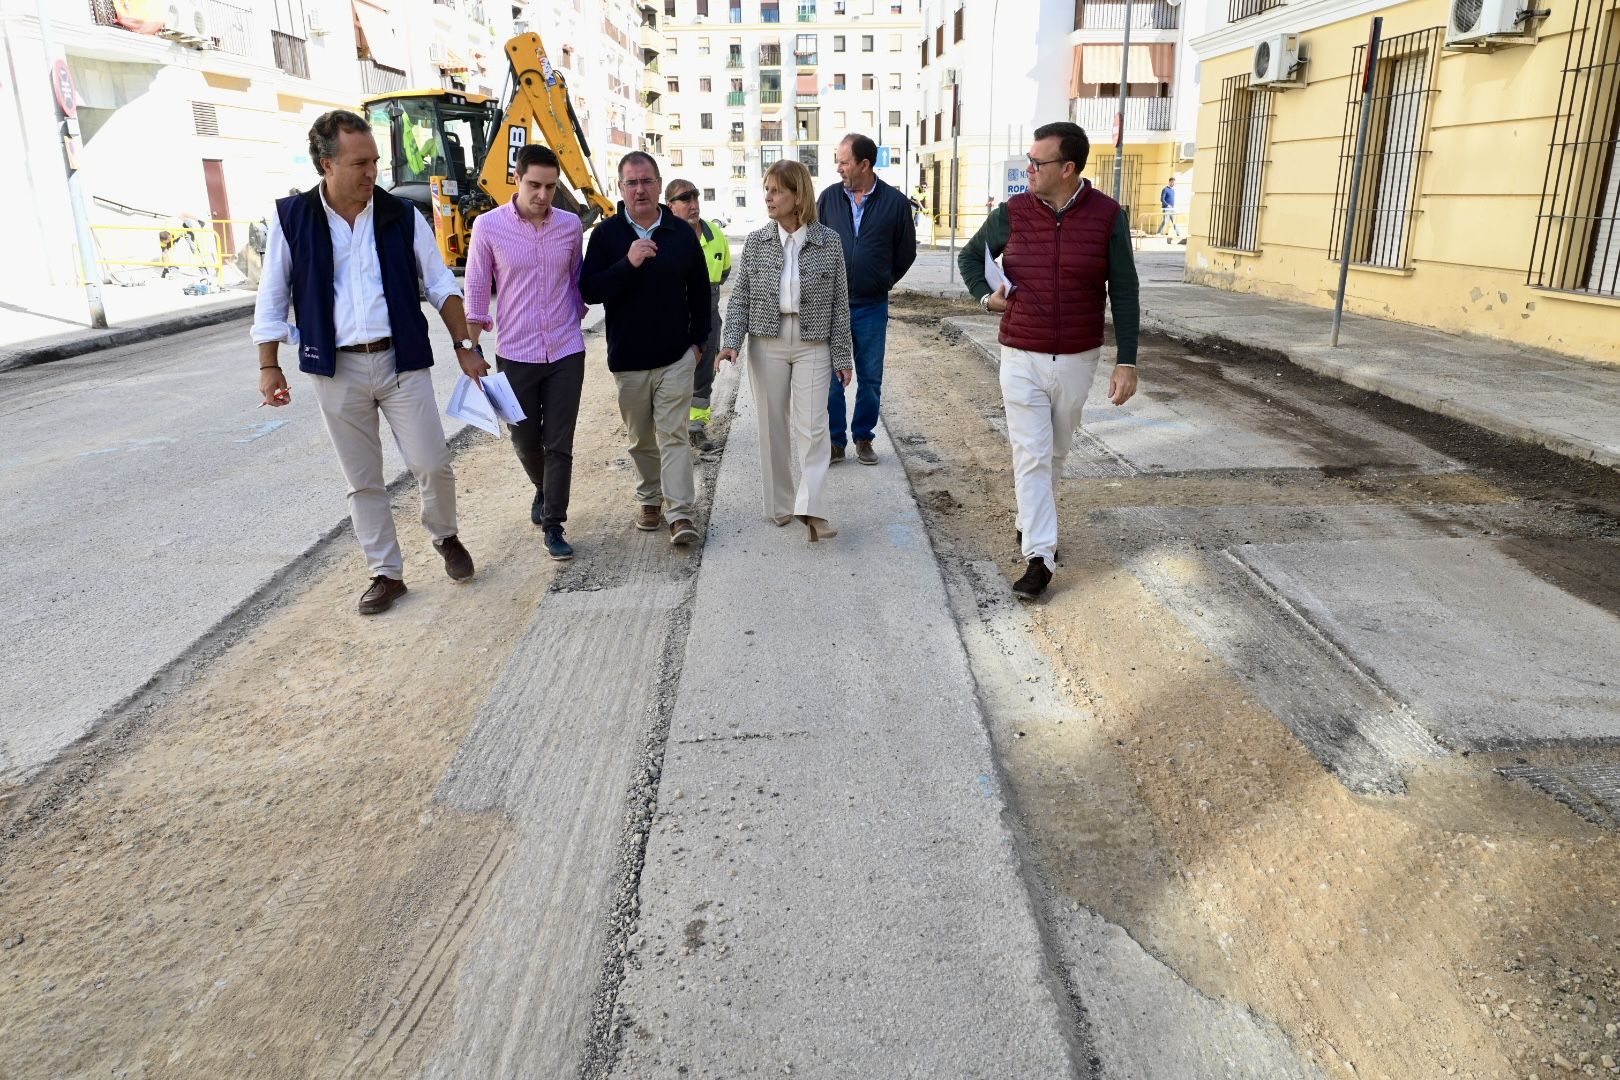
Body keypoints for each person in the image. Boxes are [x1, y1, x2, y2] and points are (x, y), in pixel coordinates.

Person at [253, 109, 482, 615]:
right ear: (325, 164)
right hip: (335, 369)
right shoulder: (292, 219)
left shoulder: (402, 215)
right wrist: (269, 365)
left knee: (432, 464)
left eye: (375, 160)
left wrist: (465, 347)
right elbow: (272, 296)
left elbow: (440, 284)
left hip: (401, 361)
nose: (371, 172)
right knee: (363, 480)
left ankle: (445, 536)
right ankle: (386, 573)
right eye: (359, 163)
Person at [958, 121, 1140, 602]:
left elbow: (1124, 289)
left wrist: (1128, 360)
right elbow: (971, 257)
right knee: (1032, 454)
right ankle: (1040, 557)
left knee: (1055, 453)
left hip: (1079, 356)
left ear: (1068, 168)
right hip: (1021, 353)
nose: (1029, 169)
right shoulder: (1013, 212)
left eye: (1038, 162)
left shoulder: (1106, 216)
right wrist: (985, 297)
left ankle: (1029, 521)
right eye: (1029, 160)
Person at [717, 160, 853, 542]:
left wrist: (843, 357)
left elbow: (840, 303)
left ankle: (811, 510)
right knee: (771, 424)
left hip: (814, 342)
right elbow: (741, 296)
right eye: (767, 190)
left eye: (776, 190)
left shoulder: (829, 242)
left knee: (813, 427)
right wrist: (731, 342)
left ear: (798, 196)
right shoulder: (758, 242)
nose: (768, 197)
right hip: (767, 341)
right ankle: (780, 505)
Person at [580, 151, 711, 546]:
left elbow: (700, 291)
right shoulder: (606, 237)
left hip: (675, 357)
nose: (640, 189)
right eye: (632, 182)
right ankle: (649, 498)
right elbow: (590, 290)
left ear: (659, 185)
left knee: (673, 435)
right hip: (629, 361)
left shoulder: (679, 232)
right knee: (641, 439)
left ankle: (680, 514)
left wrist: (697, 343)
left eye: (647, 181)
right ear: (621, 188)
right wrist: (628, 263)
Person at [464, 143, 588, 561]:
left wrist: (578, 314)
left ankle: (554, 523)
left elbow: (575, 281)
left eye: (551, 187)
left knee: (559, 442)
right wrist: (470, 349)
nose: (542, 195)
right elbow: (477, 291)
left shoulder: (570, 226)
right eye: (534, 185)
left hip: (566, 349)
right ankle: (542, 488)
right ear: (517, 179)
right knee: (523, 439)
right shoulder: (488, 226)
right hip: (514, 353)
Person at [816, 133, 916, 465]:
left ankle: (863, 437)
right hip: (833, 307)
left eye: (844, 162)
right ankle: (835, 442)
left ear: (864, 164)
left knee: (870, 377)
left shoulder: (895, 202)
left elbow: (906, 252)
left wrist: (883, 280)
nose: (839, 168)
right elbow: (814, 244)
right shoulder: (829, 198)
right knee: (832, 379)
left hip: (872, 306)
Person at [665, 178, 732, 452]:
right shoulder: (665, 236)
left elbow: (725, 271)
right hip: (673, 315)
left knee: (704, 374)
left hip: (708, 315)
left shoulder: (715, 235)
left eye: (695, 198)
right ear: (671, 206)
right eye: (685, 199)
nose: (693, 205)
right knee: (672, 374)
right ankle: (673, 433)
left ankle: (696, 428)